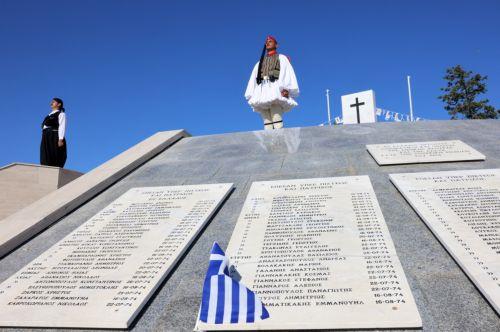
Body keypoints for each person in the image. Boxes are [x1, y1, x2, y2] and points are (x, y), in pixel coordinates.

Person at [245, 35, 299, 130]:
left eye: (270, 41)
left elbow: (287, 72)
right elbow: (254, 78)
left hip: (275, 87)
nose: (268, 42)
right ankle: (270, 143)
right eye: (267, 41)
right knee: (267, 120)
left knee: (276, 116)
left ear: (276, 45)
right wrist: (251, 93)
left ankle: (280, 140)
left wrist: (286, 88)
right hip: (263, 89)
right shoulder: (259, 63)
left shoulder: (282, 58)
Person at [40, 97, 67, 167]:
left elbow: (62, 126)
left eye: (54, 102)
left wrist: (60, 139)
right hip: (46, 136)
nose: (51, 103)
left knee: (54, 153)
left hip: (54, 135)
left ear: (59, 104)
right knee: (45, 154)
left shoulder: (61, 114)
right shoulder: (48, 115)